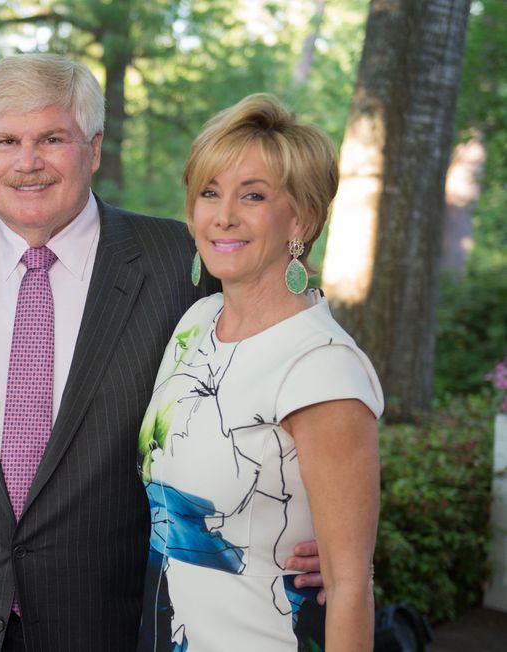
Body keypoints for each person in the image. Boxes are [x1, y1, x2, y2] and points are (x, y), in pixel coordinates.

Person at [0, 54, 323, 651]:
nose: (27, 161)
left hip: (103, 620)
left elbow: (293, 372)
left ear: (93, 148)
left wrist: (323, 530)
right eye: (7, 139)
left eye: (52, 138)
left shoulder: (184, 265)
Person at [137, 93, 382, 651]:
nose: (223, 215)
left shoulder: (321, 368)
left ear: (303, 217)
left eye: (253, 196)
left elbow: (348, 585)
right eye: (209, 193)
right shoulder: (197, 324)